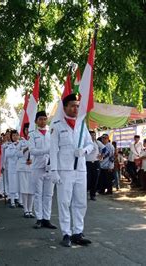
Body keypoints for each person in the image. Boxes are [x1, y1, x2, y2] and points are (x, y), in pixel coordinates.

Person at [50, 93, 94, 247]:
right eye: (72, 106)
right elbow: (53, 150)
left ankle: (78, 232)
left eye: (77, 105)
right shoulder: (57, 126)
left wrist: (84, 151)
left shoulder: (82, 125)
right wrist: (54, 171)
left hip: (80, 170)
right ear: (65, 107)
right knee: (64, 202)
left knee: (81, 202)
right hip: (64, 170)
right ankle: (66, 233)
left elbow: (91, 144)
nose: (76, 108)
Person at [29, 111, 57, 229]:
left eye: (45, 119)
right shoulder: (32, 134)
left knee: (48, 195)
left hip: (50, 167)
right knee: (38, 194)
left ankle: (47, 218)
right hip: (37, 167)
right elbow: (32, 150)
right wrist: (46, 151)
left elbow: (56, 148)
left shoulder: (52, 132)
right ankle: (39, 218)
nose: (43, 121)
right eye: (40, 119)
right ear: (36, 121)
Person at [18, 123, 35, 218]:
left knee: (32, 190)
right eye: (26, 129)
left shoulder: (35, 140)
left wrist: (32, 160)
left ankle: (30, 210)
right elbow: (17, 154)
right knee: (24, 189)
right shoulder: (21, 142)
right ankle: (25, 210)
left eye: (29, 129)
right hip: (23, 167)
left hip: (33, 167)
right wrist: (25, 150)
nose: (28, 131)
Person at [5, 130, 22, 208]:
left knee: (20, 185)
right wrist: (15, 149)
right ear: (11, 137)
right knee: (12, 185)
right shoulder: (9, 146)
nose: (15, 137)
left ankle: (20, 201)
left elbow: (23, 155)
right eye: (13, 135)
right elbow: (8, 155)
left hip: (20, 168)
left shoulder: (22, 144)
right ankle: (12, 202)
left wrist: (19, 147)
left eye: (16, 135)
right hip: (12, 168)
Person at [85, 131, 102, 200]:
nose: (93, 136)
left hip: (95, 163)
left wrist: (101, 155)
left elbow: (105, 149)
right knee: (87, 179)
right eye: (91, 135)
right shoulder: (85, 143)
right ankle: (84, 193)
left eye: (94, 135)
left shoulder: (98, 143)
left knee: (95, 179)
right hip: (87, 163)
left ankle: (93, 195)